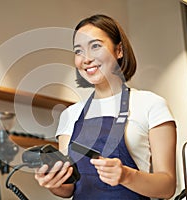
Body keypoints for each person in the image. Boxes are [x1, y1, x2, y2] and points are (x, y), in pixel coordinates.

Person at [34, 14, 177, 199]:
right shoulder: (71, 115)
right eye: (78, 51)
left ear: (119, 50)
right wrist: (54, 183)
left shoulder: (151, 105)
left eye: (95, 46)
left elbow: (167, 186)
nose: (86, 59)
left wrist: (126, 175)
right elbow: (69, 189)